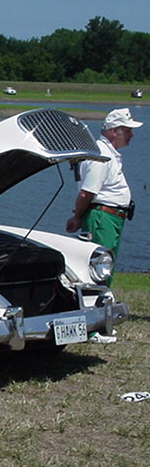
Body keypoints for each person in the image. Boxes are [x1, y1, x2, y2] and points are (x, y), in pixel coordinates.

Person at [65, 108, 143, 342]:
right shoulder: (100, 155)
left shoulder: (109, 154)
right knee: (97, 269)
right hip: (102, 217)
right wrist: (78, 217)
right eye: (127, 130)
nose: (131, 135)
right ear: (114, 131)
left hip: (111, 217)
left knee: (104, 269)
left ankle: (100, 319)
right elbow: (87, 193)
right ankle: (93, 326)